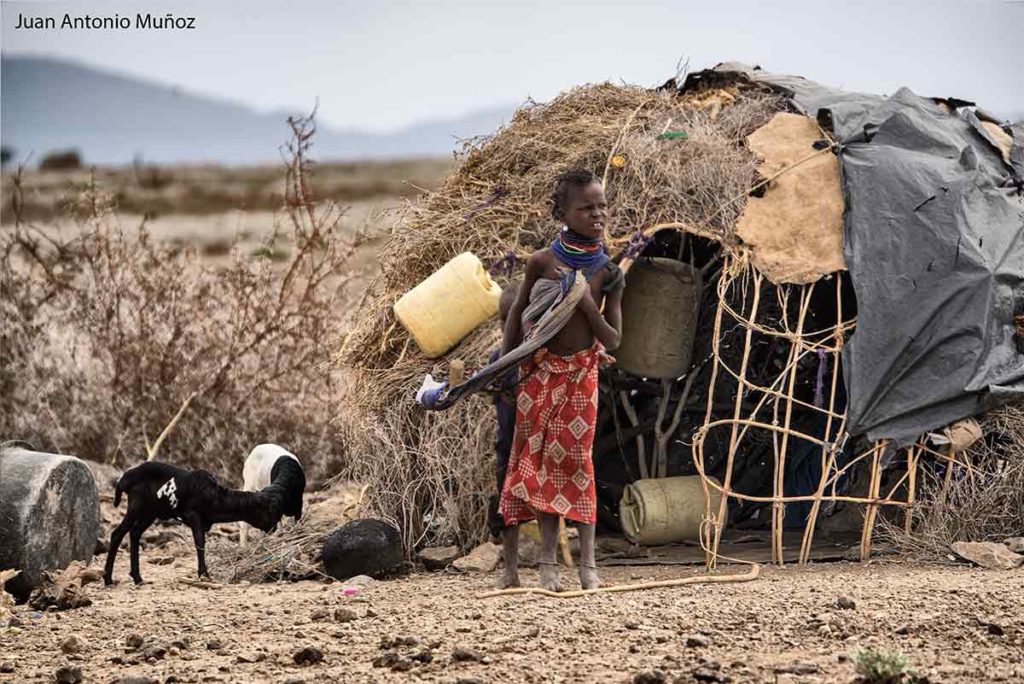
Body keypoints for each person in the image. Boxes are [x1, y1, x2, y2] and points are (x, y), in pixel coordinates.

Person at [497, 169, 624, 591]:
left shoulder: (609, 272)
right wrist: (509, 366)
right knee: (537, 466)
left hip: (581, 378)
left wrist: (586, 302)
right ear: (563, 212)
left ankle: (588, 566)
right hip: (538, 375)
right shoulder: (542, 262)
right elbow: (516, 314)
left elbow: (613, 339)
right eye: (586, 208)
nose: (597, 215)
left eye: (602, 206)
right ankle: (548, 566)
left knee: (577, 465)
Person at [486, 282, 520, 541]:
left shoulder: (533, 356)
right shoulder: (497, 358)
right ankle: (503, 527)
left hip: (527, 443)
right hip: (507, 444)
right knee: (505, 483)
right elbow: (492, 394)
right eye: (503, 319)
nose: (506, 325)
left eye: (513, 319)